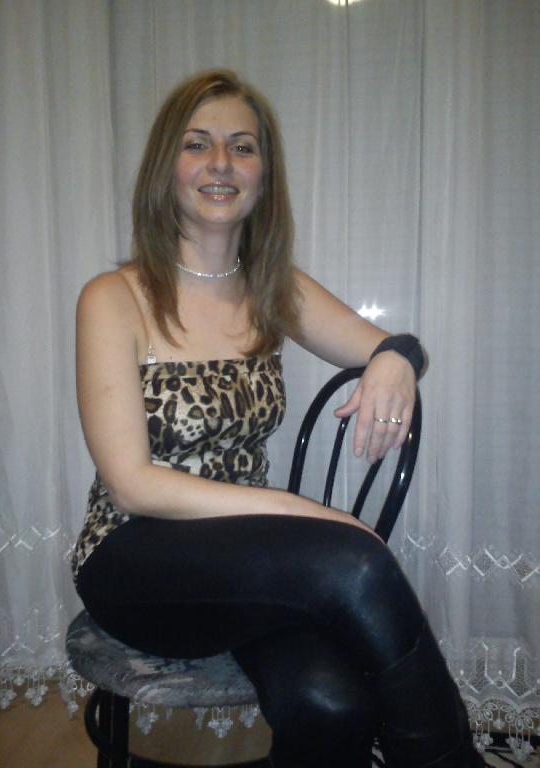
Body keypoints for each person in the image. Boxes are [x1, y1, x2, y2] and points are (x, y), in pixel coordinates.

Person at [72, 69, 484, 768]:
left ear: (264, 175)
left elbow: (386, 345)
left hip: (250, 559)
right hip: (134, 561)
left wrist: (398, 358)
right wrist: (304, 514)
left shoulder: (273, 287)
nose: (221, 163)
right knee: (354, 562)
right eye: (197, 144)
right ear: (166, 166)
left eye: (243, 147)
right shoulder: (114, 297)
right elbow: (133, 485)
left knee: (332, 704)